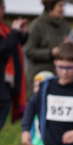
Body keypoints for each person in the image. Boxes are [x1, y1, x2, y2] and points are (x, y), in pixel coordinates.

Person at [23, 0, 69, 89]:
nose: (63, 9)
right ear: (50, 7)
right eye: (60, 6)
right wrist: (51, 53)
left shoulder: (64, 25)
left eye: (63, 6)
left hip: (58, 76)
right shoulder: (37, 25)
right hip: (40, 76)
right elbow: (29, 51)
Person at [0, 0, 28, 129]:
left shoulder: (4, 29)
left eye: (3, 7)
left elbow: (13, 51)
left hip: (4, 91)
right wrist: (15, 33)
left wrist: (22, 34)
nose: (3, 10)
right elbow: (3, 50)